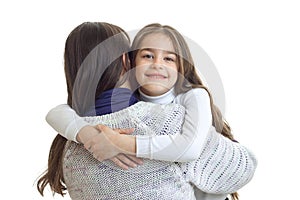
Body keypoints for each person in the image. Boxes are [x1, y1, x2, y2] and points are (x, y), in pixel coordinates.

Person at [38, 22, 257, 200]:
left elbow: (58, 113)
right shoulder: (168, 122)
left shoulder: (67, 147)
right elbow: (243, 167)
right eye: (147, 56)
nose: (157, 65)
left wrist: (98, 137)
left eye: (169, 58)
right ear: (128, 61)